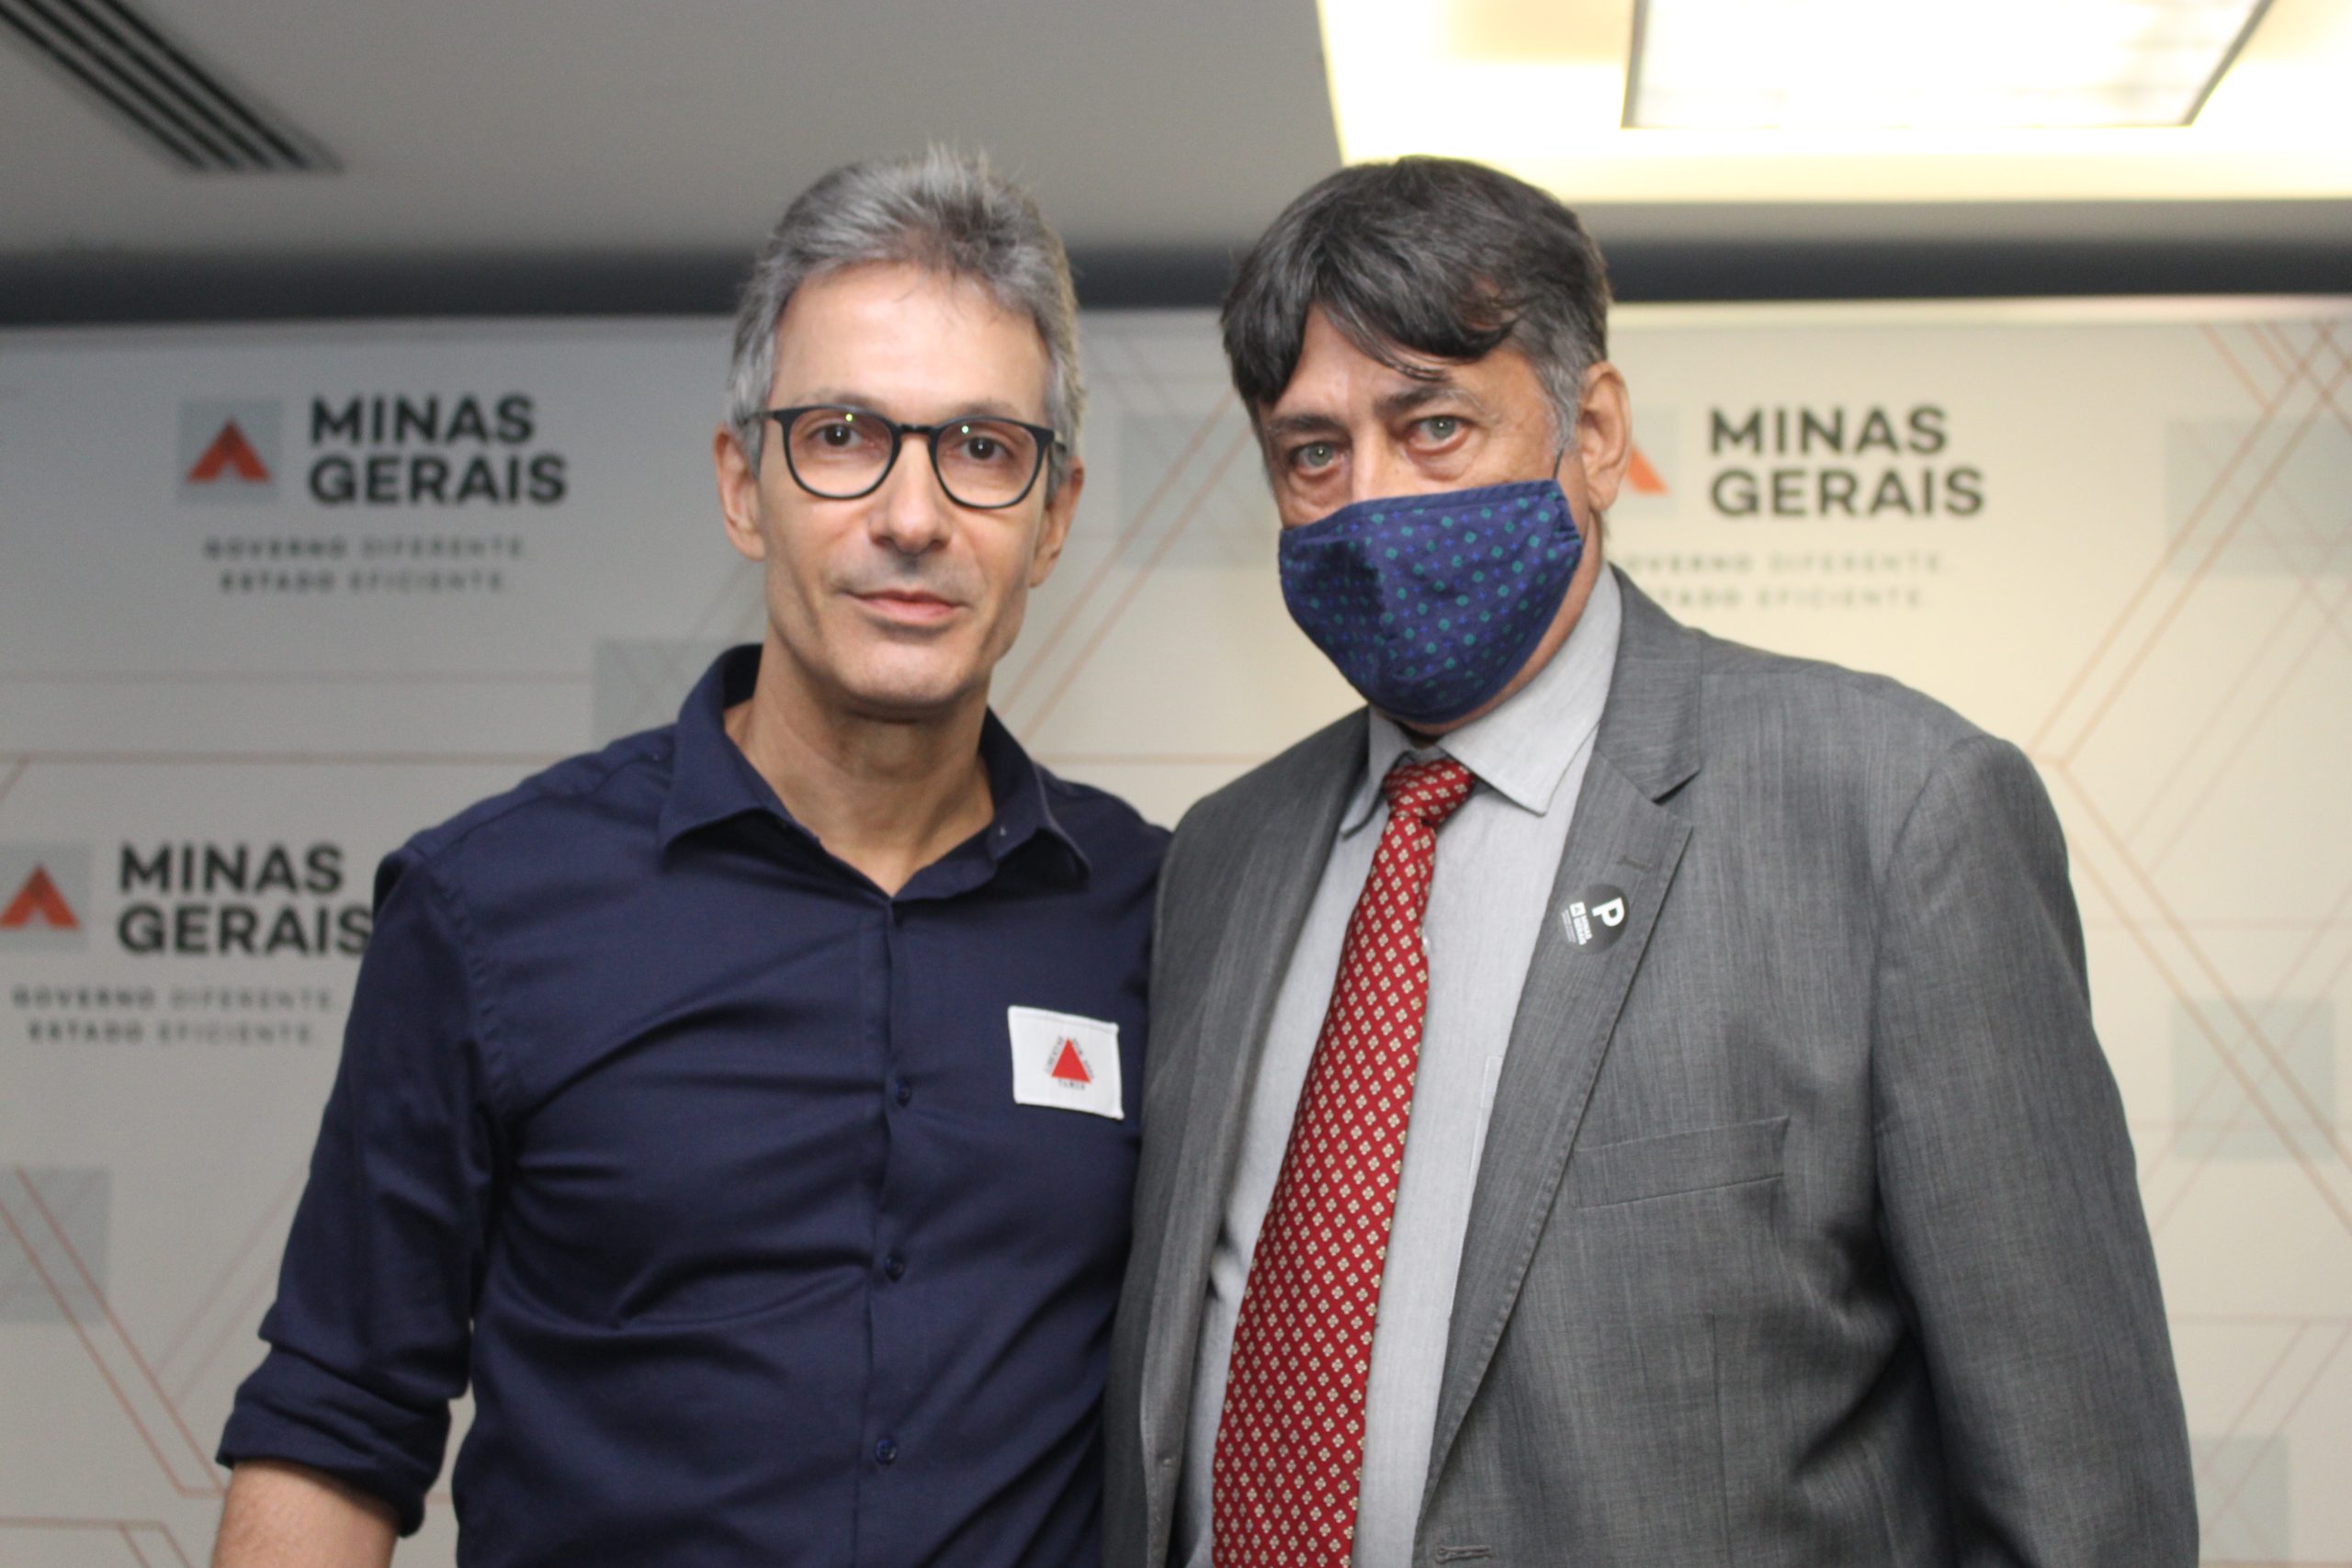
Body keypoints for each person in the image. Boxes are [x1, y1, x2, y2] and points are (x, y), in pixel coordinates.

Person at [1104, 156, 2196, 1568]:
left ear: (1598, 431)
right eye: (1313, 454)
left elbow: (2083, 1504)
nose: (1370, 503)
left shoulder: (1897, 816)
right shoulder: (1223, 858)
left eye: (1434, 426)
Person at [212, 148, 1164, 1568]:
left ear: (1054, 517)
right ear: (742, 485)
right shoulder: (491, 908)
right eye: (842, 435)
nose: (913, 517)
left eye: (981, 448)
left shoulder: (1159, 920)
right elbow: (336, 1419)